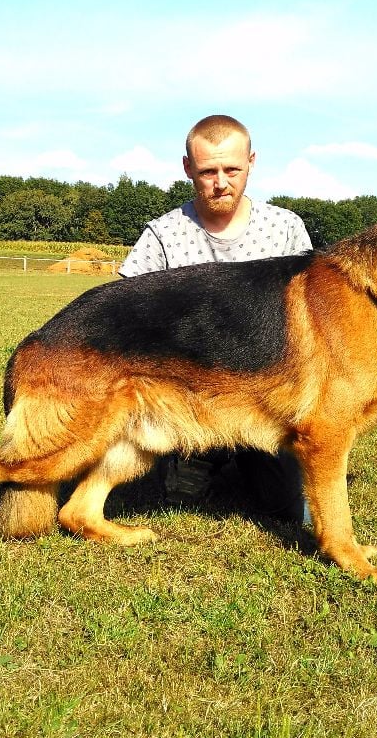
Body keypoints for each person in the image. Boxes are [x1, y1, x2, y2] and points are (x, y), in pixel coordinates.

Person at [120, 114, 313, 521]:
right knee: (180, 497)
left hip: (266, 398)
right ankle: (197, 456)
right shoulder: (162, 235)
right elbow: (124, 316)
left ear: (252, 162)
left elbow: (311, 321)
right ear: (188, 168)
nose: (220, 183)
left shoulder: (286, 229)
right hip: (189, 396)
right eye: (208, 171)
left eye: (232, 169)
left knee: (285, 509)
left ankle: (251, 461)